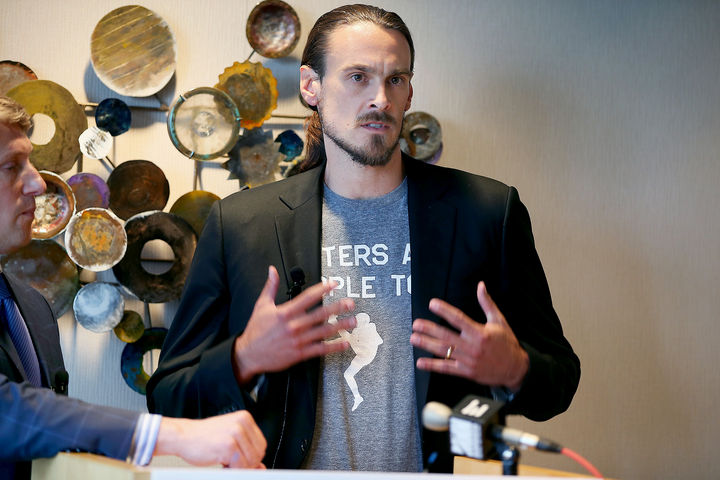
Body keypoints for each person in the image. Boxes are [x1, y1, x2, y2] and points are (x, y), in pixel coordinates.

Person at [147, 4, 580, 473]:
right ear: (311, 86)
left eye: (395, 79)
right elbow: (167, 397)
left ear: (409, 91)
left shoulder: (487, 212)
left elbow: (559, 384)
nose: (380, 98)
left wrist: (514, 369)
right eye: (358, 77)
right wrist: (244, 358)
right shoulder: (240, 224)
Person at [0, 95, 267, 480]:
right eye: (11, 166)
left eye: (30, 163)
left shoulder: (32, 307)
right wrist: (169, 435)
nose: (38, 182)